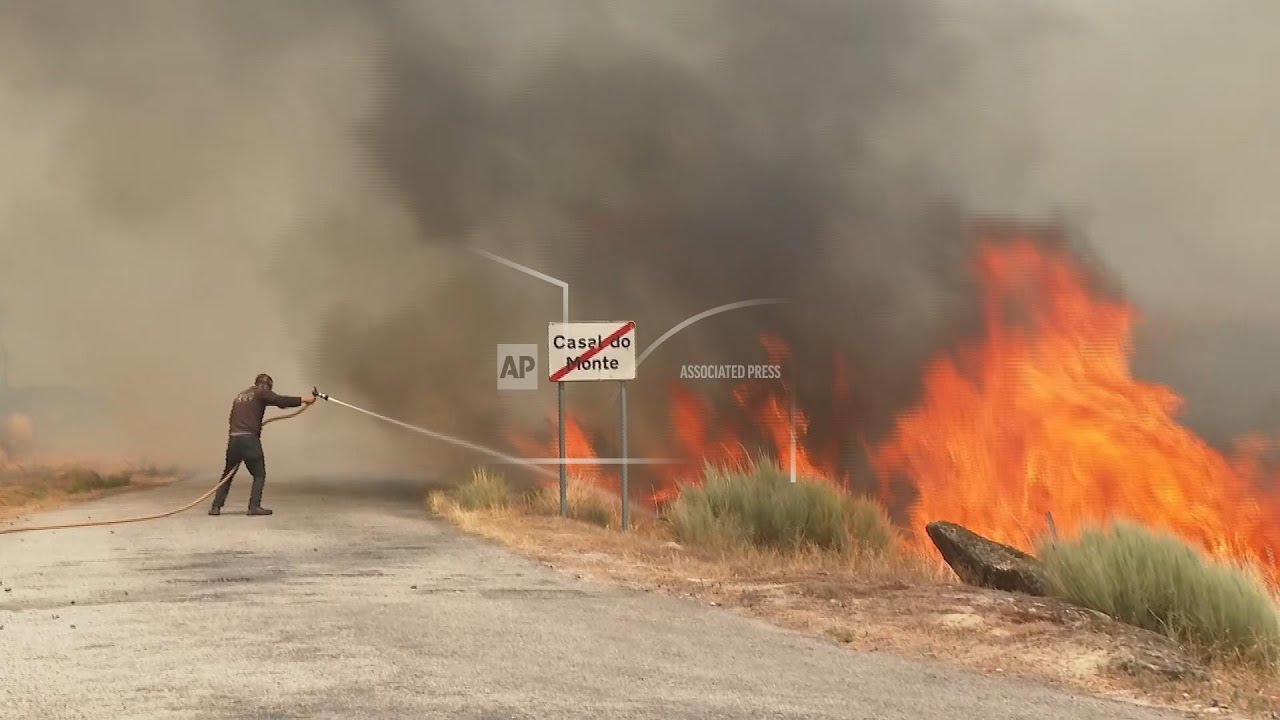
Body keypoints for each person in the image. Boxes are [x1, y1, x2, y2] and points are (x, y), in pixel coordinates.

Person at [209, 373, 316, 516]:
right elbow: (280, 401)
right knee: (259, 474)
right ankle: (254, 506)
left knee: (227, 474)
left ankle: (215, 507)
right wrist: (304, 399)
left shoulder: (241, 396)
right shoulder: (261, 391)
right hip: (249, 439)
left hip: (234, 439)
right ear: (267, 385)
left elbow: (232, 418)